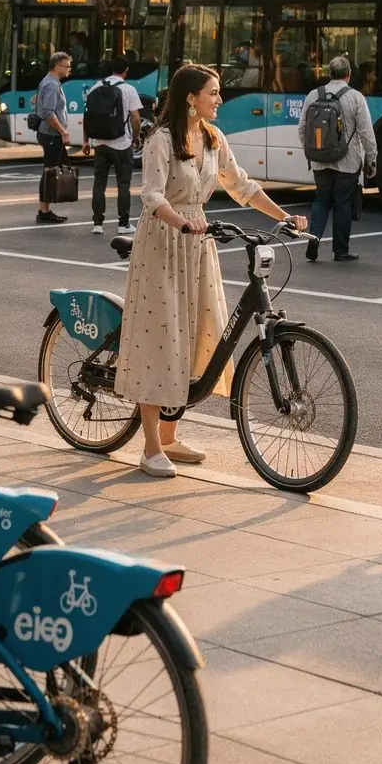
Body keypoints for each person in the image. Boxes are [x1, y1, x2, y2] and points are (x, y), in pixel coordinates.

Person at [114, 63, 307, 478]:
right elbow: (151, 196)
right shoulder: (161, 140)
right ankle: (150, 447)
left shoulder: (214, 137)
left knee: (196, 335)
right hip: (164, 242)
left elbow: (242, 185)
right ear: (191, 98)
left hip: (198, 244)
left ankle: (169, 437)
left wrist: (285, 216)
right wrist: (181, 222)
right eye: (213, 92)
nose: (219, 99)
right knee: (161, 340)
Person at [298, 55, 377, 263]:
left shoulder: (313, 95)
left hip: (319, 161)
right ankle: (341, 251)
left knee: (321, 200)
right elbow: (366, 133)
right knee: (343, 203)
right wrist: (371, 160)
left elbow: (302, 129)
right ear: (348, 75)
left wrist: (313, 151)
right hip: (347, 162)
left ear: (329, 74)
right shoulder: (356, 98)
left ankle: (313, 242)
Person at [82, 55, 142, 236]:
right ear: (126, 71)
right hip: (122, 143)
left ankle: (97, 224)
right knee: (123, 184)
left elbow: (88, 117)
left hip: (100, 143)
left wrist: (86, 141)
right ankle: (123, 224)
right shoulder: (129, 89)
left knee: (99, 184)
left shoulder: (95, 87)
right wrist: (136, 137)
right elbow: (135, 118)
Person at [35, 51, 72, 225]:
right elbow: (48, 113)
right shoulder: (51, 85)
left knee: (49, 171)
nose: (69, 69)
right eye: (67, 66)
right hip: (51, 134)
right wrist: (63, 132)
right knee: (50, 172)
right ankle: (44, 211)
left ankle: (45, 209)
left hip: (49, 134)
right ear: (57, 66)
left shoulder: (49, 82)